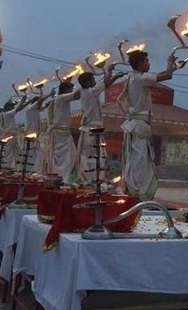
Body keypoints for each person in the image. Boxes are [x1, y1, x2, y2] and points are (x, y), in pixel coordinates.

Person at [118, 49, 177, 200]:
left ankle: (136, 194)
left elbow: (165, 74)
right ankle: (138, 195)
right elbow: (167, 75)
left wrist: (173, 67)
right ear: (139, 63)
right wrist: (170, 63)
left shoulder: (132, 77)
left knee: (138, 162)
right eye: (146, 61)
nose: (149, 63)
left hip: (137, 126)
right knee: (140, 164)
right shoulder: (139, 78)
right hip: (138, 127)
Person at [75, 64, 123, 183]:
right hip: (91, 129)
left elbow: (105, 84)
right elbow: (105, 84)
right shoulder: (90, 92)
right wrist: (110, 71)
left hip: (95, 128)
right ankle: (90, 179)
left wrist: (114, 76)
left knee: (98, 154)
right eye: (92, 80)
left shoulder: (88, 91)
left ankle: (96, 179)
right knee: (93, 155)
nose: (95, 81)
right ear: (87, 83)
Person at [47, 81, 79, 183]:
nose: (71, 91)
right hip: (60, 134)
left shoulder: (59, 98)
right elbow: (77, 95)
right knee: (62, 160)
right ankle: (60, 179)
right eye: (70, 89)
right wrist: (85, 85)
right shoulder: (61, 97)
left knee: (71, 156)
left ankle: (62, 179)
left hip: (63, 133)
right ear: (65, 90)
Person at [23, 89, 55, 173]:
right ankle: (30, 170)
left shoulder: (35, 110)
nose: (40, 105)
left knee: (37, 153)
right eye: (39, 103)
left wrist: (48, 103)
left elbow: (43, 107)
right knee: (32, 153)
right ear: (35, 103)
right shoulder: (30, 108)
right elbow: (41, 101)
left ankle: (34, 170)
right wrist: (50, 94)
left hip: (35, 134)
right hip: (30, 134)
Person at [0, 96, 28, 170]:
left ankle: (15, 168)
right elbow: (17, 109)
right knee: (9, 153)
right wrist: (22, 101)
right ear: (8, 107)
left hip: (14, 136)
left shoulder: (9, 114)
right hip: (9, 136)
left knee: (17, 152)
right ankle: (7, 168)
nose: (13, 107)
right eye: (11, 106)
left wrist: (27, 102)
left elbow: (19, 109)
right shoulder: (7, 114)